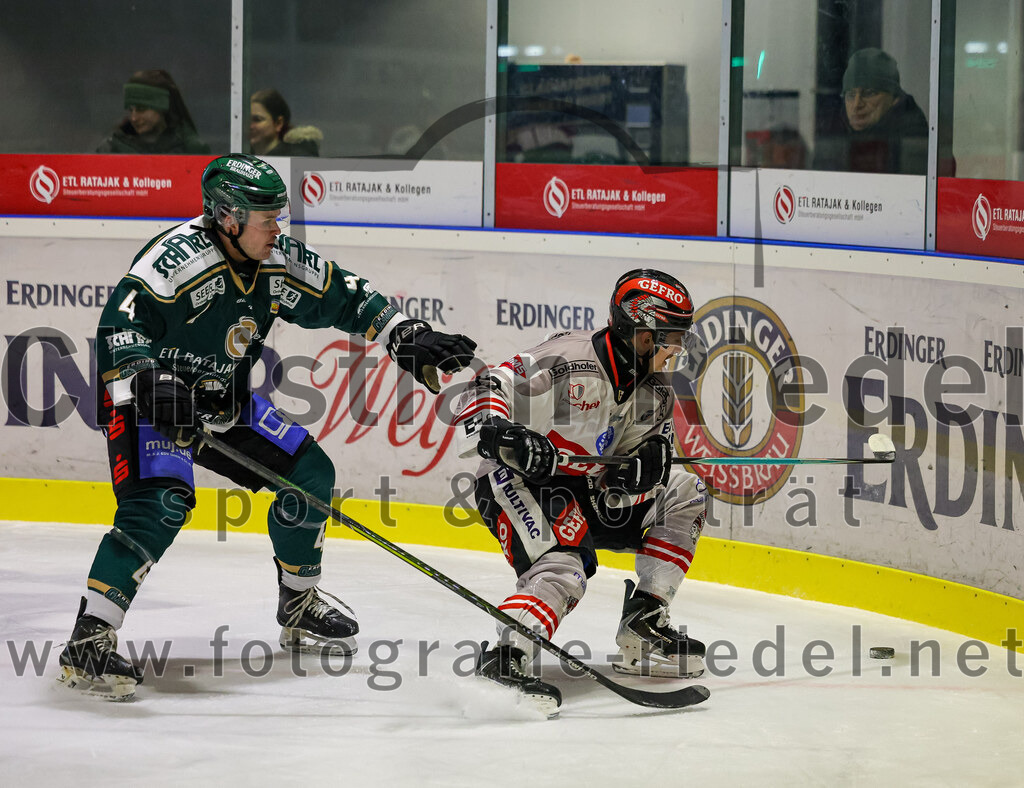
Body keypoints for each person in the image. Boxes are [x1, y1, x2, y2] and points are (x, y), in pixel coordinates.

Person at [56, 153, 477, 700]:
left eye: (279, 215)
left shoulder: (275, 258)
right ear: (228, 218)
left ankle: (298, 604)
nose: (278, 227)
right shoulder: (175, 260)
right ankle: (89, 640)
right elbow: (119, 327)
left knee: (310, 475)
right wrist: (149, 382)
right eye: (266, 217)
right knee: (160, 502)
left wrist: (402, 332)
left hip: (221, 399)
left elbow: (343, 294)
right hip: (149, 401)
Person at [454, 270, 709, 716]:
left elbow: (622, 470)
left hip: (584, 488)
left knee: (684, 491)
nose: (676, 348)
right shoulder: (568, 359)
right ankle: (505, 659)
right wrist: (500, 432)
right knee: (565, 569)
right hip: (515, 480)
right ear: (639, 331)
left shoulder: (656, 392)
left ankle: (644, 621)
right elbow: (485, 383)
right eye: (667, 336)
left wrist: (644, 468)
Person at [813, 47, 928, 175]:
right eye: (850, 95)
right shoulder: (834, 133)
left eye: (869, 93)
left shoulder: (913, 140)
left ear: (895, 98)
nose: (857, 104)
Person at [96, 69, 210, 154]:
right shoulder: (112, 148)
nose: (134, 118)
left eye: (141, 109)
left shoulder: (190, 149)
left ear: (162, 108)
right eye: (131, 110)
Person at [250, 89, 323, 156]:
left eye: (257, 119)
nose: (250, 126)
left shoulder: (297, 158)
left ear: (278, 123)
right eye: (247, 120)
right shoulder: (244, 157)